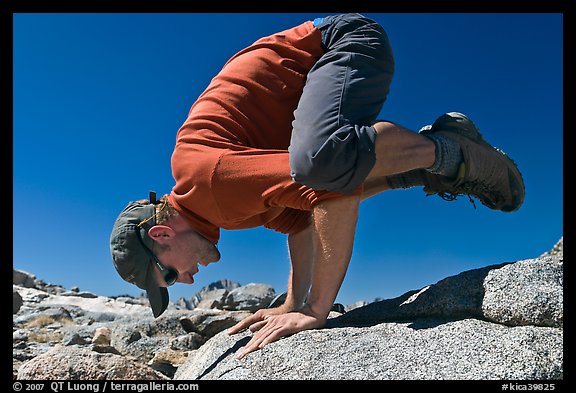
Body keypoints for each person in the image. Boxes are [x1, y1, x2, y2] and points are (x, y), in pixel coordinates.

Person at [110, 13, 524, 360]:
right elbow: (305, 218)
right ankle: (423, 165)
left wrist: (314, 309)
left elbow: (330, 191)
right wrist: (293, 302)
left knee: (323, 164)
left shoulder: (209, 183)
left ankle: (449, 153)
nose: (185, 281)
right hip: (324, 64)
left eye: (168, 272)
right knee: (323, 172)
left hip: (342, 40)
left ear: (161, 233)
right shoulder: (217, 207)